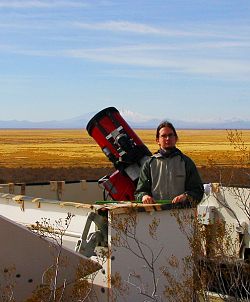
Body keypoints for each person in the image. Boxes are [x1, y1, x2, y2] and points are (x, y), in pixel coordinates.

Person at [135, 121, 204, 204]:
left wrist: (186, 196)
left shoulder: (186, 162)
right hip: (155, 214)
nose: (167, 138)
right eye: (163, 136)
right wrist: (144, 196)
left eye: (170, 135)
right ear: (157, 140)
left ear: (176, 138)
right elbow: (139, 193)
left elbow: (198, 191)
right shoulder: (149, 164)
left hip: (181, 214)